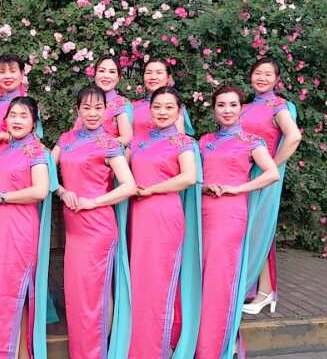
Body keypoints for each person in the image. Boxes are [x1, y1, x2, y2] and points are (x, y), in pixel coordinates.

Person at [53, 85, 136, 359]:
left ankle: (99, 352)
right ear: (77, 110)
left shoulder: (110, 143)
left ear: (106, 111)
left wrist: (93, 202)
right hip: (74, 229)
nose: (92, 113)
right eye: (86, 108)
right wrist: (62, 192)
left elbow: (129, 186)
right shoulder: (66, 139)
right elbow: (47, 171)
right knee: (78, 295)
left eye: (98, 108)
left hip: (98, 227)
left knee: (97, 294)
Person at [196, 85, 280, 358]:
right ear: (214, 109)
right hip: (202, 213)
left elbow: (272, 174)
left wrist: (238, 189)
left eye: (233, 105)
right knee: (202, 278)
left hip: (230, 215)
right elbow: (194, 178)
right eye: (221, 105)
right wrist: (205, 186)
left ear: (241, 108)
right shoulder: (204, 141)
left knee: (220, 279)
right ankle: (202, 341)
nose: (227, 110)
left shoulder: (251, 141)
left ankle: (219, 344)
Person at [0, 96, 55, 359]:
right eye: (13, 115)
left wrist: (3, 197)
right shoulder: (3, 152)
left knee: (15, 293)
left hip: (20, 228)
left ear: (34, 123)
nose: (17, 120)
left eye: (24, 116)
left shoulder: (37, 151)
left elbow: (40, 190)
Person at [126, 87, 198, 359]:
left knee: (159, 282)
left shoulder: (184, 142)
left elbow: (189, 177)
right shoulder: (139, 140)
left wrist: (153, 189)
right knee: (139, 282)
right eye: (157, 107)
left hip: (164, 216)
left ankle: (158, 349)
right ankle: (136, 346)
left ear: (179, 112)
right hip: (138, 215)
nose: (162, 112)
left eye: (169, 107)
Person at [240, 58, 302, 315]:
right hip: (243, 173)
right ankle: (259, 289)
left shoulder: (278, 105)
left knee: (258, 230)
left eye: (268, 74)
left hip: (264, 177)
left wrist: (272, 166)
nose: (262, 78)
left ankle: (264, 292)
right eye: (258, 73)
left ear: (277, 80)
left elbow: (294, 136)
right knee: (248, 230)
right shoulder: (245, 106)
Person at [75, 56, 133, 145]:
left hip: (107, 152)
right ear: (95, 74)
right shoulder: (86, 99)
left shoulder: (122, 103)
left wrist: (97, 146)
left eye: (112, 72)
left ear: (118, 77)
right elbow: (75, 133)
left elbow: (126, 138)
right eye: (102, 71)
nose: (106, 76)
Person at [131, 58, 194, 140]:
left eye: (159, 72)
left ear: (168, 77)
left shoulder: (173, 106)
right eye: (148, 73)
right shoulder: (132, 106)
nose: (153, 77)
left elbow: (179, 141)